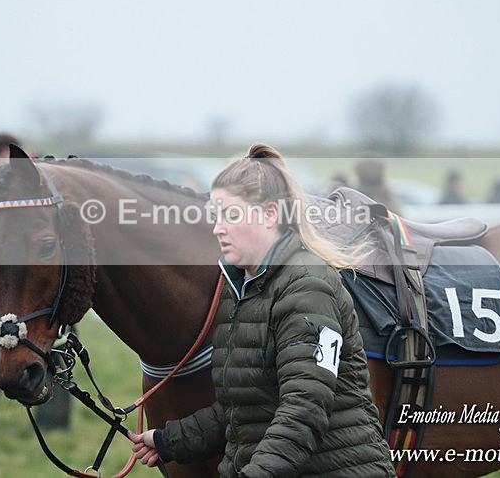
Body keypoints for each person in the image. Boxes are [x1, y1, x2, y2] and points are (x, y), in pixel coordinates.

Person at [129, 144, 394, 477]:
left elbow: (305, 408)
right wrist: (171, 440)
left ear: (270, 214)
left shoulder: (308, 285)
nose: (217, 228)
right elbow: (242, 410)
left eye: (231, 215)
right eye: (215, 216)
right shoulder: (239, 289)